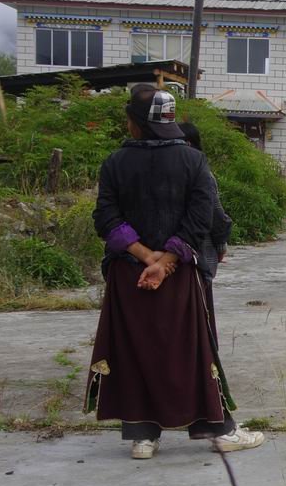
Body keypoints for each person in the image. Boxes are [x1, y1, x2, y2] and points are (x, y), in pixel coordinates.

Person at [86, 84, 263, 459]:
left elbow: (106, 217)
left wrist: (144, 255)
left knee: (134, 351)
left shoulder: (115, 162)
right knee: (193, 351)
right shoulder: (192, 161)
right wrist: (165, 262)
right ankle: (222, 430)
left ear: (135, 123)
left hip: (127, 274)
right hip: (179, 275)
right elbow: (200, 219)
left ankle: (143, 437)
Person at [178, 121, 232, 337]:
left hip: (167, 258)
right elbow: (215, 216)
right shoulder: (202, 173)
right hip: (197, 257)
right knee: (200, 319)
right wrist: (221, 245)